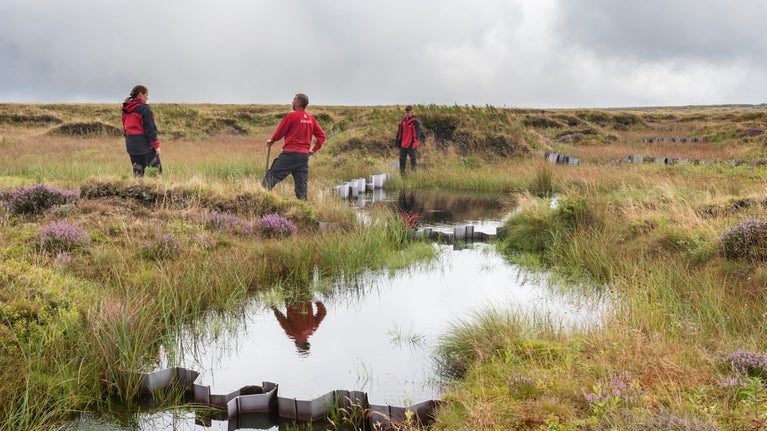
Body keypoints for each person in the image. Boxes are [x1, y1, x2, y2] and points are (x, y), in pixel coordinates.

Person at [262, 93, 326, 200]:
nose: (292, 102)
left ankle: (260, 196)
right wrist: (313, 150)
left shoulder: (291, 116)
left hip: (290, 154)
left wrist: (272, 140)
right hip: (303, 156)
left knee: (272, 176)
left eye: (294, 100)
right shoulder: (311, 119)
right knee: (301, 185)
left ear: (298, 103)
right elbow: (322, 136)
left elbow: (280, 131)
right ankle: (304, 208)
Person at [121, 85, 162, 177]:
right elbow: (150, 129)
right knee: (156, 171)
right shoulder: (144, 109)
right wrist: (156, 146)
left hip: (131, 145)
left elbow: (125, 128)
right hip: (144, 145)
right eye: (146, 95)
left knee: (138, 173)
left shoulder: (125, 110)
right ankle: (157, 190)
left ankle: (137, 190)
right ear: (140, 94)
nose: (147, 98)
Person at [394, 105, 424, 175]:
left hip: (411, 144)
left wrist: (416, 143)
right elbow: (399, 133)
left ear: (412, 112)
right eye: (406, 112)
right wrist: (397, 143)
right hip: (403, 144)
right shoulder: (402, 122)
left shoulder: (415, 122)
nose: (407, 113)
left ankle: (414, 175)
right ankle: (402, 175)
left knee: (413, 160)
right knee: (402, 160)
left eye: (409, 112)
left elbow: (418, 133)